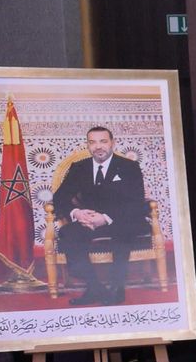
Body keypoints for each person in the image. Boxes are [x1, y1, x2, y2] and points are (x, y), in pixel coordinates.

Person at [51, 125, 149, 306]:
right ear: (88, 145)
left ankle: (117, 288)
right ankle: (94, 286)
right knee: (68, 233)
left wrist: (105, 218)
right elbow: (59, 198)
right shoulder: (79, 167)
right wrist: (77, 213)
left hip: (122, 219)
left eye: (103, 141)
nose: (98, 146)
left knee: (122, 232)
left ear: (112, 143)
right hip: (89, 221)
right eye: (93, 142)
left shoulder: (129, 167)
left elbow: (136, 202)